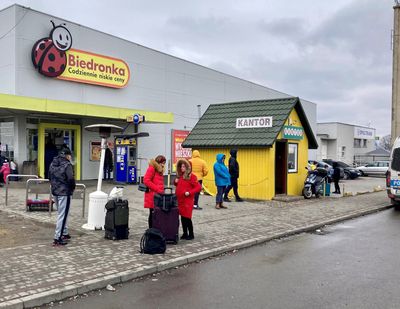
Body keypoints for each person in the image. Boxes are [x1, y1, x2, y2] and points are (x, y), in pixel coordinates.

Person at [49, 148, 76, 246]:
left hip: (55, 191)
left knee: (61, 213)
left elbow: (49, 177)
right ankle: (58, 237)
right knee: (63, 215)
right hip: (65, 192)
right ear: (67, 156)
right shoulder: (67, 165)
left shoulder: (53, 163)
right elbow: (70, 178)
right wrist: (72, 188)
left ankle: (64, 232)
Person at [174, 159, 201, 240]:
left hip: (187, 201)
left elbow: (198, 187)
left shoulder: (192, 176)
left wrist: (189, 192)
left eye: (183, 166)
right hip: (180, 200)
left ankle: (191, 234)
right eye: (181, 166)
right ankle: (185, 233)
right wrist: (175, 182)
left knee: (187, 218)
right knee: (182, 217)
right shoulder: (180, 176)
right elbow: (178, 185)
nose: (182, 168)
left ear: (187, 167)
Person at [143, 155, 166, 228]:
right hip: (152, 195)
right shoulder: (152, 168)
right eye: (162, 163)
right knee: (152, 213)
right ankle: (151, 230)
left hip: (158, 195)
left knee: (157, 213)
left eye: (164, 163)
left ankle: (156, 229)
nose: (163, 165)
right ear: (158, 162)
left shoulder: (159, 170)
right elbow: (146, 180)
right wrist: (157, 189)